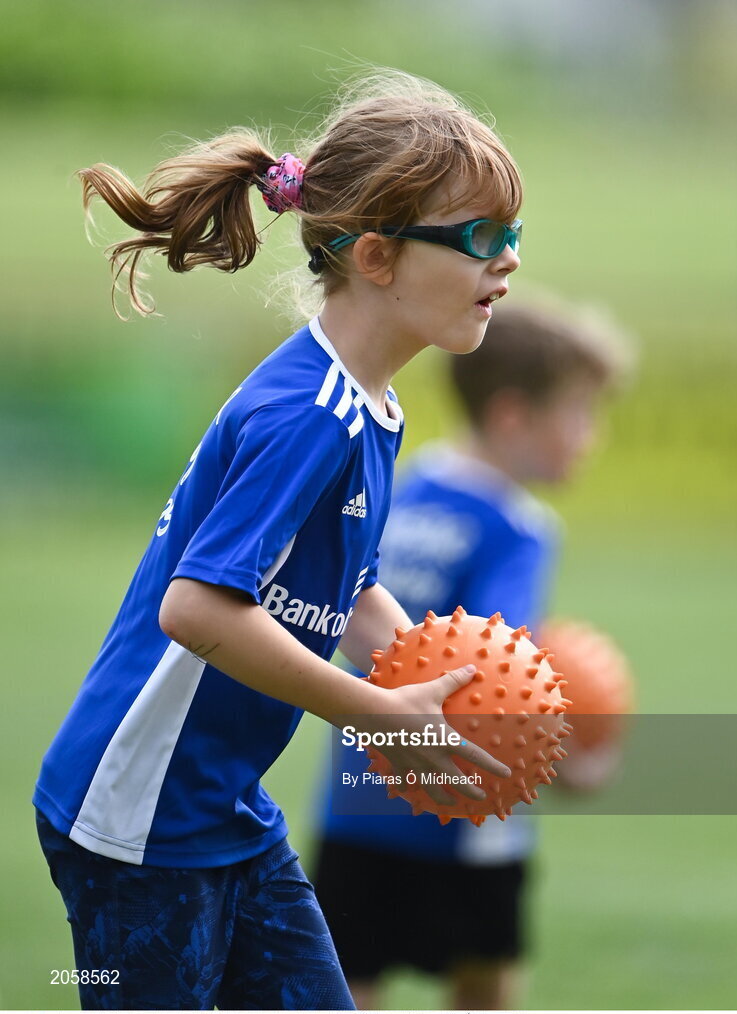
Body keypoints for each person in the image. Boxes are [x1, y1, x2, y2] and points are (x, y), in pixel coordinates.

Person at [32, 71, 524, 1011]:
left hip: (224, 808)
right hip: (141, 819)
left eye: (513, 237)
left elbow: (348, 586)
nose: (504, 263)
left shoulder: (369, 405)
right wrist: (374, 715)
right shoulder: (310, 413)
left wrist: (443, 683)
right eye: (478, 238)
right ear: (377, 256)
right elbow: (199, 610)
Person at [313, 298, 632, 1011]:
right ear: (514, 415)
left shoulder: (397, 487)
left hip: (357, 801)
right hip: (465, 817)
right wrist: (574, 763)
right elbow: (489, 686)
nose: (593, 435)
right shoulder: (519, 528)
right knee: (485, 985)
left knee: (345, 987)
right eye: (580, 413)